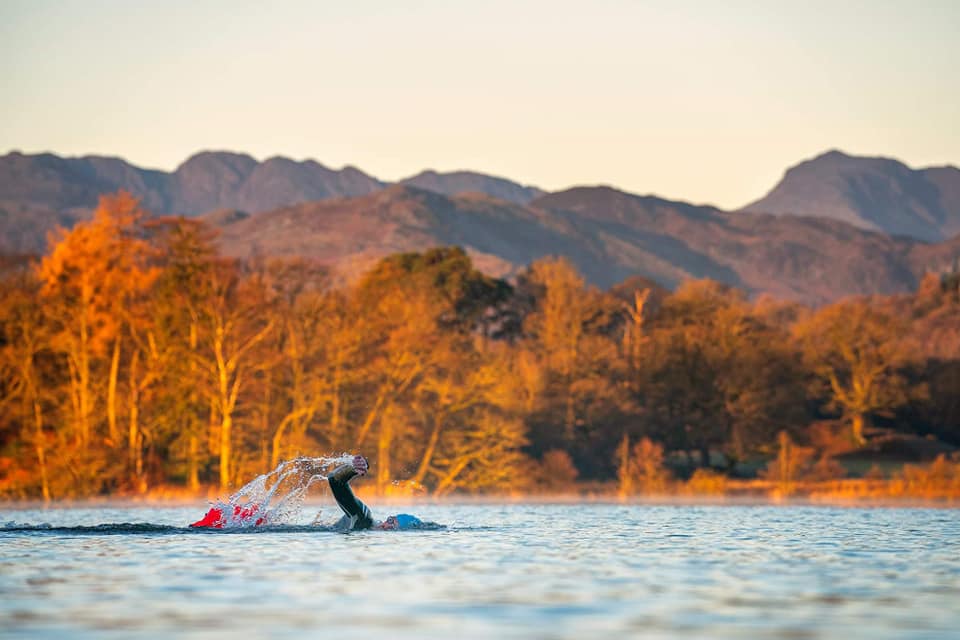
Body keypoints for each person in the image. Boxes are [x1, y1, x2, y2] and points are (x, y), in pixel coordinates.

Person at [326, 455, 423, 531]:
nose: (386, 526)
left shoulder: (366, 530)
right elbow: (334, 480)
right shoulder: (365, 518)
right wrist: (353, 468)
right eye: (390, 521)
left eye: (392, 528)